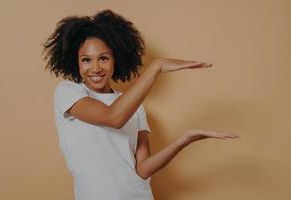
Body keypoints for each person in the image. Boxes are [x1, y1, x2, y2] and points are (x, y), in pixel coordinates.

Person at [42, 9, 238, 200]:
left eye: (103, 58)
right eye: (86, 60)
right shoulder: (68, 92)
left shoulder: (136, 106)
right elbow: (113, 117)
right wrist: (156, 67)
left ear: (115, 59)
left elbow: (142, 169)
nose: (95, 68)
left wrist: (185, 139)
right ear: (75, 62)